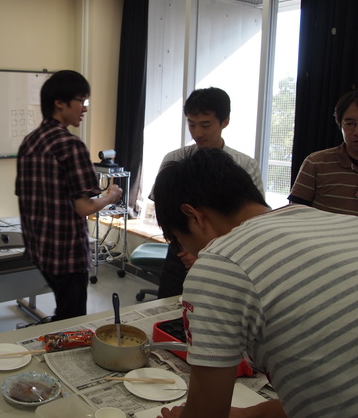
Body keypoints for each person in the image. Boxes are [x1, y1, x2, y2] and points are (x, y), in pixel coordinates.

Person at [153, 148, 358, 418]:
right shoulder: (344, 224)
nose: (187, 251)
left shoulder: (220, 264)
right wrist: (243, 415)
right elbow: (324, 394)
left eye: (180, 241)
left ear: (194, 216)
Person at [15, 70, 123, 321]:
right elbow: (83, 207)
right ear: (60, 103)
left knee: (63, 312)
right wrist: (111, 196)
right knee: (72, 320)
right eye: (81, 101)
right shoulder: (71, 145)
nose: (84, 108)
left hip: (40, 249)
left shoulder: (29, 142)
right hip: (67, 254)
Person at [150, 87, 264, 298]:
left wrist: (206, 254)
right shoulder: (174, 160)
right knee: (168, 307)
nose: (197, 133)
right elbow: (165, 212)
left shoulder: (244, 164)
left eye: (205, 125)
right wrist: (188, 250)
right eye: (191, 124)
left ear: (225, 122)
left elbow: (252, 220)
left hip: (227, 257)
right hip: (181, 252)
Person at [288, 90, 358, 215]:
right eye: (349, 124)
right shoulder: (316, 163)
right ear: (340, 125)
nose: (356, 132)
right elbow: (294, 214)